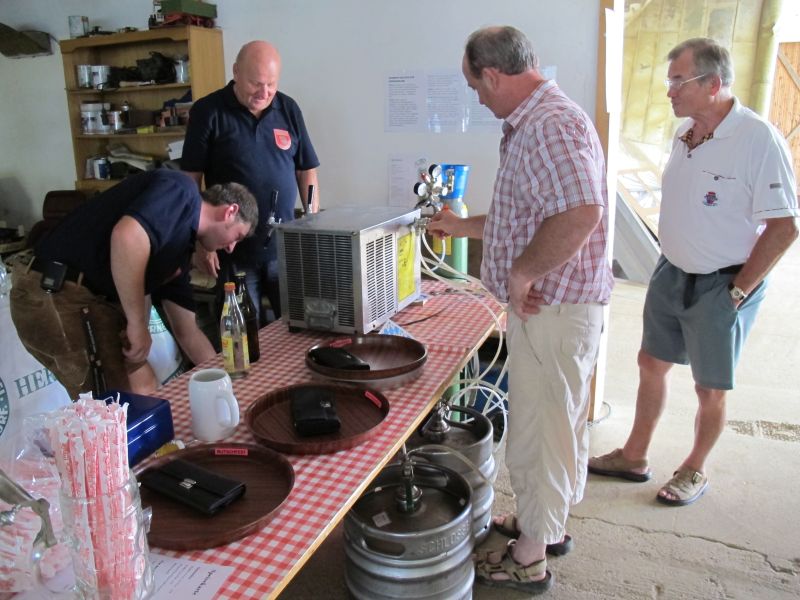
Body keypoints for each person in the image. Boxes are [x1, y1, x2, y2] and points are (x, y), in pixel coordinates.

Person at [427, 26, 613, 594]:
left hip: (552, 309)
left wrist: (523, 273)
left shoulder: (549, 124)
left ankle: (530, 557)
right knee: (555, 422)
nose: (477, 98)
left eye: (475, 87)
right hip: (552, 310)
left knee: (540, 429)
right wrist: (462, 225)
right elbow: (525, 217)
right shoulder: (532, 122)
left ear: (493, 74)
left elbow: (581, 212)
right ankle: (545, 525)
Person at [589, 38, 798, 506]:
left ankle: (694, 468)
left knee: (710, 387)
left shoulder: (757, 139)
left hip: (724, 282)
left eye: (678, 81)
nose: (669, 92)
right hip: (671, 270)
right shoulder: (685, 133)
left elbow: (785, 226)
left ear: (714, 83)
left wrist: (738, 292)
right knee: (651, 363)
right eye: (670, 81)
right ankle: (634, 456)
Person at [9, 169, 258, 398]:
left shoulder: (177, 253)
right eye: (237, 236)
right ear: (230, 211)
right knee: (116, 406)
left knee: (145, 389)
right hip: (56, 290)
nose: (231, 248)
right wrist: (138, 325)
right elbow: (127, 236)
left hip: (83, 300)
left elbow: (188, 332)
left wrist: (226, 385)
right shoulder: (181, 190)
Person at [182, 40, 320, 325]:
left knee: (299, 325)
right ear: (235, 72)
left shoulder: (288, 108)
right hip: (233, 251)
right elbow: (190, 181)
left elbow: (306, 169)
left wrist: (312, 224)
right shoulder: (208, 111)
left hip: (283, 248)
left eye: (271, 84)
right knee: (242, 333)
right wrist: (201, 242)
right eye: (256, 83)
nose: (264, 92)